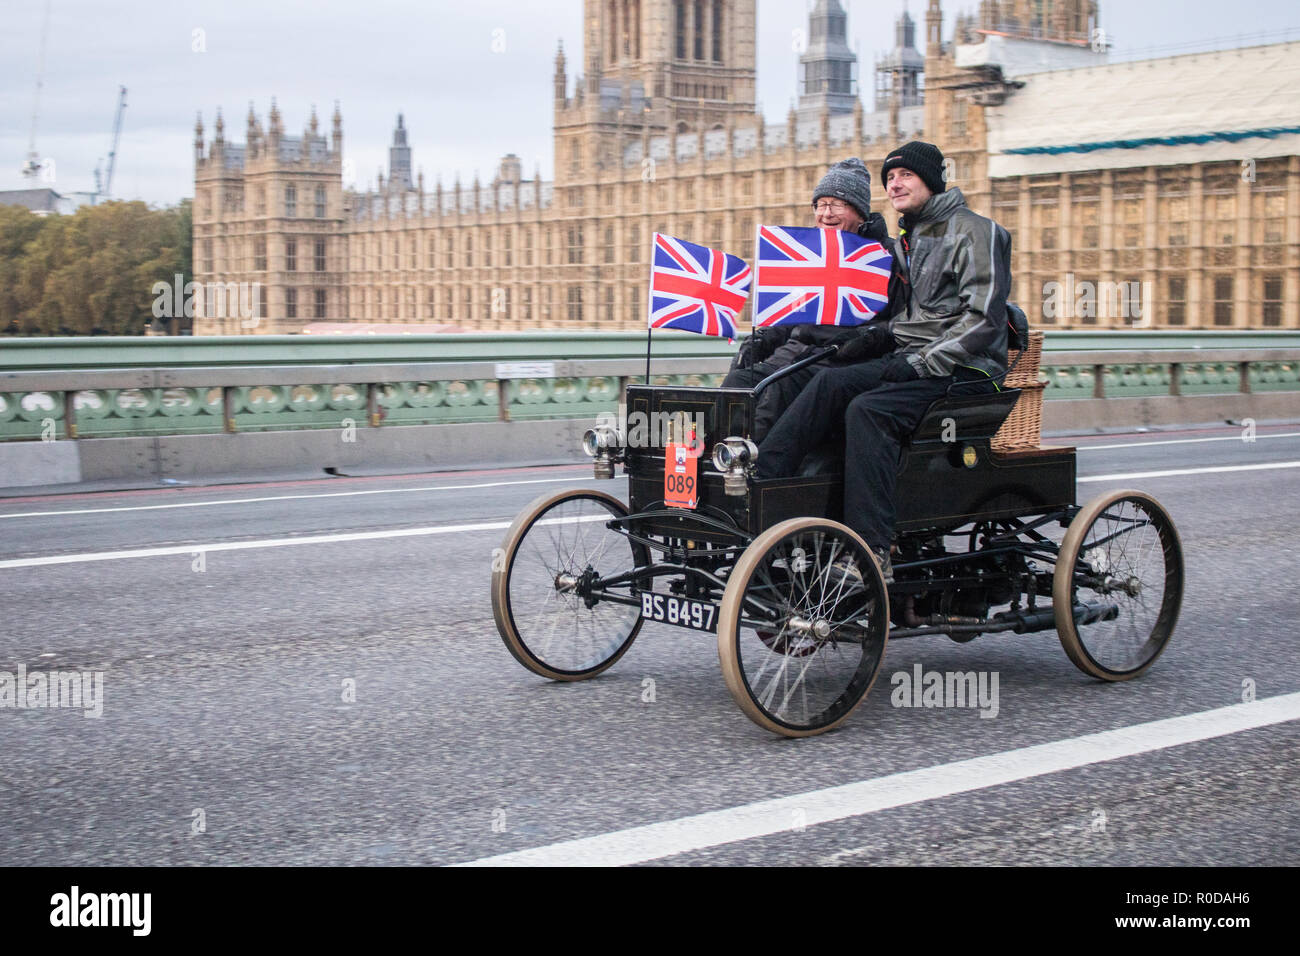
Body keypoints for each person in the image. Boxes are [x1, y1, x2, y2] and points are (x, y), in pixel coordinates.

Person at [753, 141, 1012, 582]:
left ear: (931, 180)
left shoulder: (978, 231)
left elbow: (984, 321)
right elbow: (906, 315)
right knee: (830, 384)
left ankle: (872, 549)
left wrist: (922, 362)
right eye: (889, 178)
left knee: (868, 411)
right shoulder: (912, 237)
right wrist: (878, 337)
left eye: (905, 176)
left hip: (964, 369)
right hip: (914, 357)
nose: (895, 184)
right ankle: (765, 480)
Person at [722, 157, 900, 442]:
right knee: (737, 384)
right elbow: (792, 313)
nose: (826, 214)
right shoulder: (809, 255)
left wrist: (864, 338)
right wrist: (764, 337)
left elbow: (898, 321)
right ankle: (714, 463)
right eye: (821, 205)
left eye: (837, 204)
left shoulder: (884, 256)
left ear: (860, 211)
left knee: (778, 390)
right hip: (792, 355)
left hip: (836, 360)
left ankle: (753, 469)